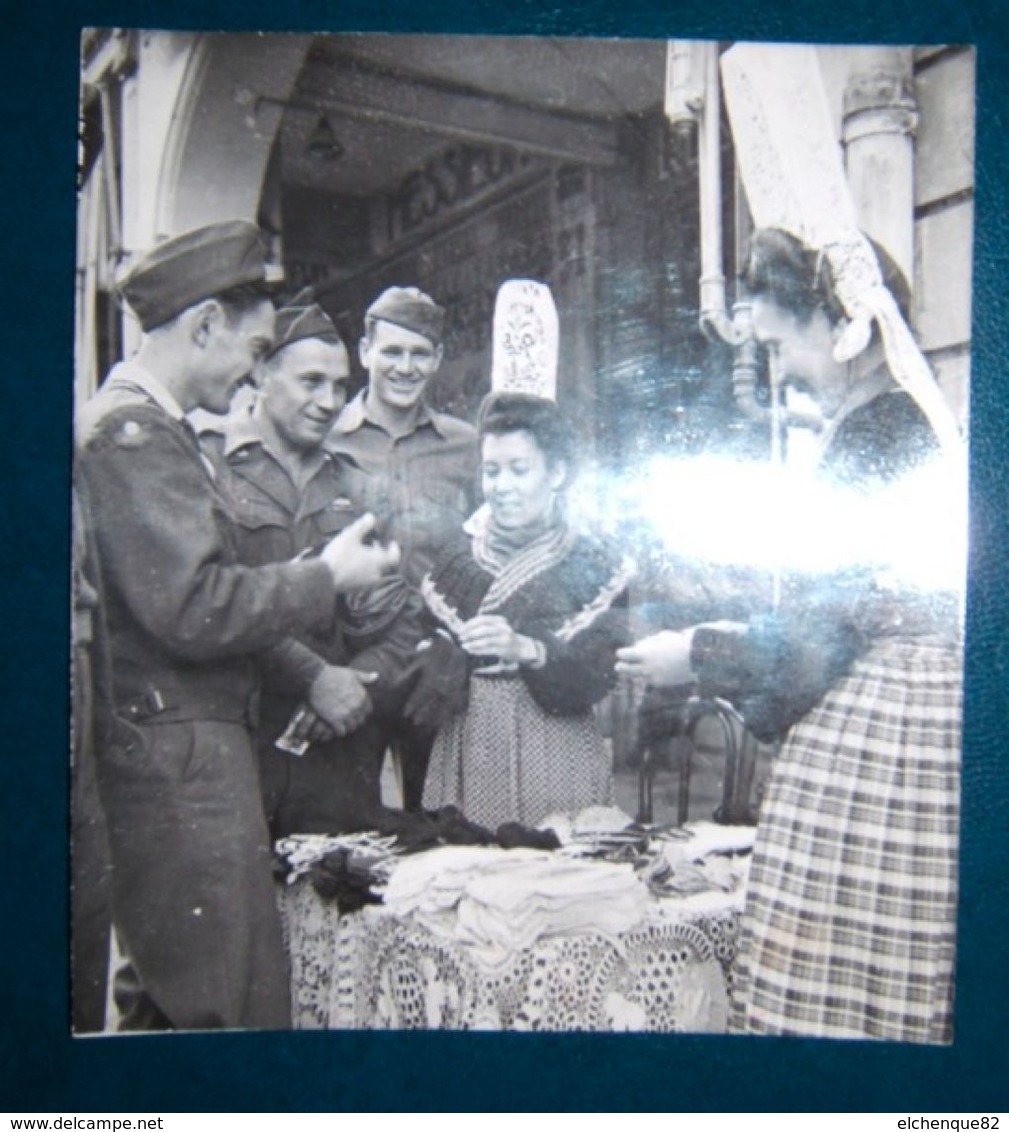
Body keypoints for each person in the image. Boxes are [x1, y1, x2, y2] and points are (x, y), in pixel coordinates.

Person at [616, 228, 962, 1043]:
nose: (776, 373)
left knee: (837, 979)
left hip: (882, 730)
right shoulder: (916, 419)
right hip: (925, 714)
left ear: (841, 326)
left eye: (777, 344)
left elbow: (813, 642)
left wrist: (693, 655)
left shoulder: (875, 431)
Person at [75, 219, 400, 1031]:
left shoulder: (145, 430)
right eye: (256, 353)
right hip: (181, 759)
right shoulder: (135, 436)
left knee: (173, 1003)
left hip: (176, 748)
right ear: (205, 326)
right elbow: (192, 606)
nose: (253, 375)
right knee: (231, 1009)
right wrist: (326, 576)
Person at [202, 294, 425, 836]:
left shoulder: (362, 486)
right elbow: (210, 600)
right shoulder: (210, 467)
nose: (329, 401)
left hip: (338, 748)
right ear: (261, 373)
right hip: (241, 742)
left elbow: (405, 620)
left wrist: (355, 688)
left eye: (340, 386)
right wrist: (313, 676)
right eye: (311, 382)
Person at [413, 391, 635, 830]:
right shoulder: (456, 558)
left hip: (556, 742)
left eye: (519, 470)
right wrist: (442, 657)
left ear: (556, 473)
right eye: (491, 471)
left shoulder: (594, 564)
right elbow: (425, 640)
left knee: (554, 873)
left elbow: (598, 674)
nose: (502, 487)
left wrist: (528, 648)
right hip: (472, 739)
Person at [328, 286, 480, 807]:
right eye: (392, 351)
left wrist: (455, 650)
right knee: (346, 832)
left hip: (433, 669)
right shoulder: (325, 439)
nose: (405, 367)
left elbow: (483, 554)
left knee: (436, 826)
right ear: (365, 352)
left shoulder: (466, 445)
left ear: (437, 360)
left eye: (420, 353)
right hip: (353, 666)